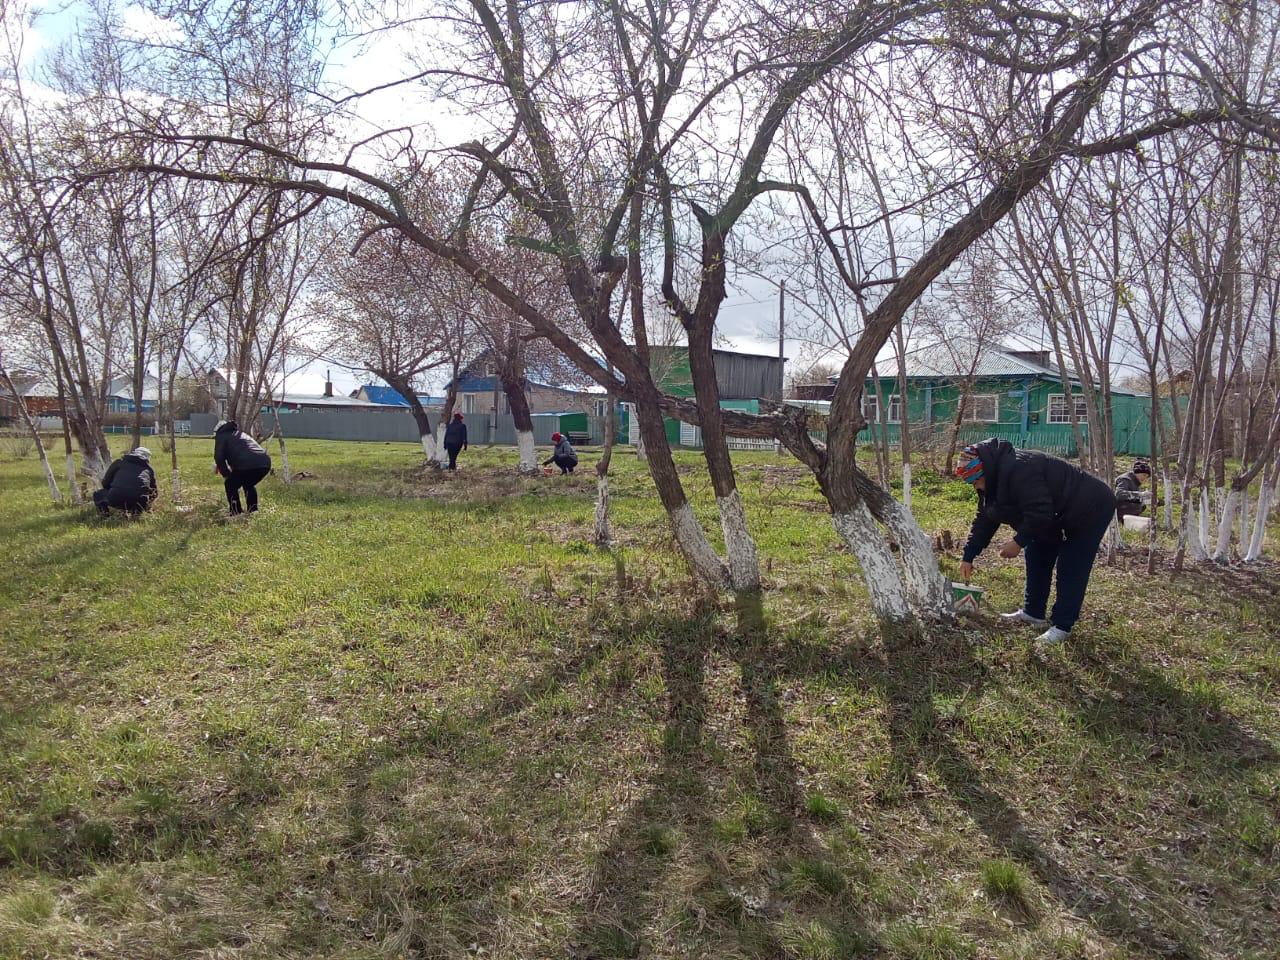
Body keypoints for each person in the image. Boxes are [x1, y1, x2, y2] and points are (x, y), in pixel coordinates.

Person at [956, 438, 1116, 646]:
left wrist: (1018, 541)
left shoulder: (1021, 469)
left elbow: (1040, 511)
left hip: (1090, 505)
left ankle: (1062, 626)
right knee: (1038, 551)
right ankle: (1034, 613)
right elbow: (986, 518)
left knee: (1071, 564)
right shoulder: (993, 481)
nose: (975, 486)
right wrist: (969, 556)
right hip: (1056, 512)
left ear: (986, 471)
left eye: (976, 481)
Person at [213, 419, 272, 515]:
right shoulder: (239, 433)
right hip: (264, 463)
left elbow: (219, 458)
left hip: (247, 464)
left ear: (218, 431)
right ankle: (253, 511)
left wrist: (226, 474)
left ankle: (236, 512)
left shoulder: (221, 435)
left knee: (230, 484)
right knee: (248, 483)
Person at [94, 446, 157, 516]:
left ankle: (104, 514)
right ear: (148, 459)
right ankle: (135, 513)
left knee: (98, 494)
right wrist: (147, 505)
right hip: (140, 503)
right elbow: (154, 492)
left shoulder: (119, 462)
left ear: (133, 453)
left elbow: (105, 483)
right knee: (137, 500)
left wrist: (115, 488)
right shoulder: (149, 470)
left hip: (116, 498)